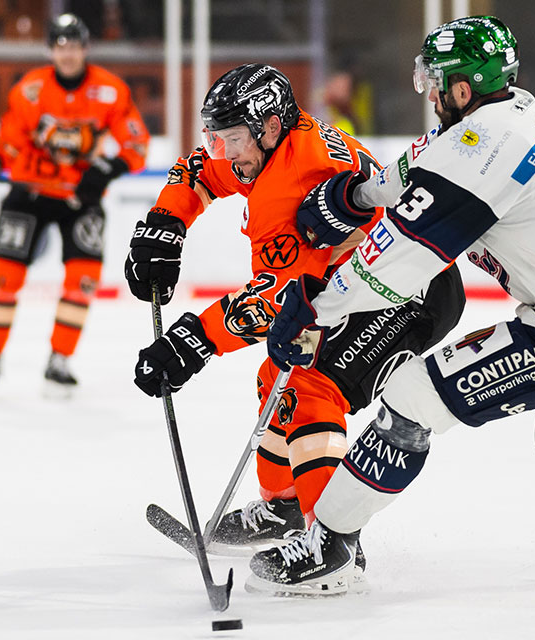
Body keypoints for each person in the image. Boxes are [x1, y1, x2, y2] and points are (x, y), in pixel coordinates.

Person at [255, 15, 535, 596]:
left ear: (462, 89)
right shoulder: (519, 115)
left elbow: (394, 262)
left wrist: (315, 306)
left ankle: (329, 546)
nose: (429, 92)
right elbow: (418, 168)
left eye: (437, 81)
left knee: (408, 402)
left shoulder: (480, 149)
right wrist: (355, 194)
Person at [124, 64, 463, 560]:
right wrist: (165, 224)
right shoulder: (265, 145)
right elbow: (199, 169)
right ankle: (285, 506)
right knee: (277, 373)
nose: (226, 152)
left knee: (308, 384)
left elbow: (286, 298)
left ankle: (332, 544)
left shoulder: (299, 176)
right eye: (218, 137)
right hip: (364, 281)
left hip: (409, 290)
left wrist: (192, 341)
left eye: (232, 139)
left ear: (270, 127)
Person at [0, 13, 149, 392]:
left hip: (81, 196)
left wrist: (108, 169)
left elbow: (136, 143)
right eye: (61, 46)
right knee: (3, 276)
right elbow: (9, 138)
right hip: (29, 192)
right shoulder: (30, 89)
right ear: (50, 50)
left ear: (85, 49)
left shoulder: (110, 91)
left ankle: (59, 360)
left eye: (75, 45)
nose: (68, 54)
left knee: (83, 281)